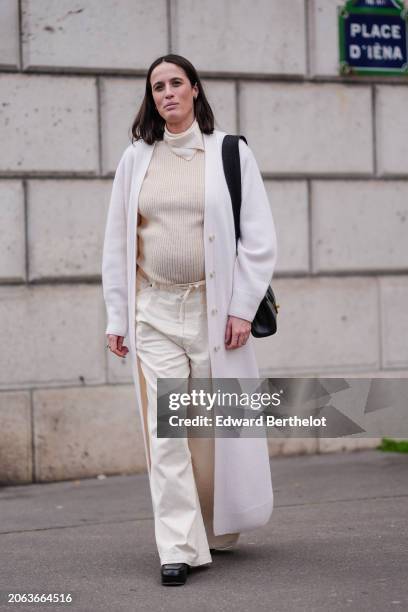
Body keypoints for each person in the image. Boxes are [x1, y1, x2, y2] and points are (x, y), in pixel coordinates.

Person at [102, 54, 278, 586]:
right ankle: (177, 547)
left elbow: (259, 238)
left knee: (208, 431)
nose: (167, 93)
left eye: (176, 83)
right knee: (166, 433)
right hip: (153, 310)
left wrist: (241, 308)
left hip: (211, 313)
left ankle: (213, 525)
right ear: (151, 98)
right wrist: (117, 315)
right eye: (158, 86)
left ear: (195, 90)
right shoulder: (137, 159)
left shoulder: (228, 153)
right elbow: (117, 243)